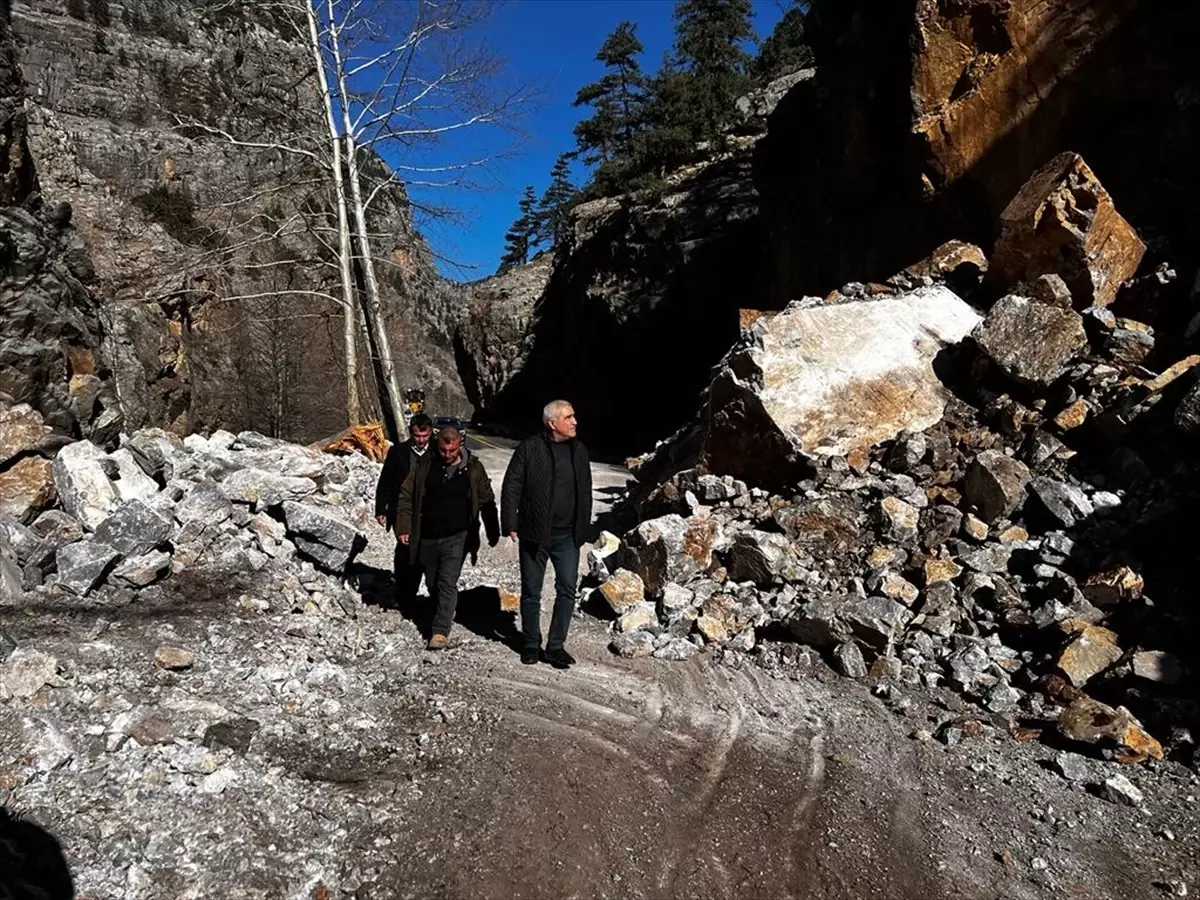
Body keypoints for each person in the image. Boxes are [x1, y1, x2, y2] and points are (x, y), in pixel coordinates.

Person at [501, 400, 592, 668]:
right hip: (534, 533)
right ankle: (530, 644)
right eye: (569, 417)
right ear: (552, 423)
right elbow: (512, 484)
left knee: (567, 589)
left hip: (567, 537)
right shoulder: (530, 448)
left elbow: (585, 491)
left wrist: (583, 527)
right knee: (531, 591)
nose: (575, 421)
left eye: (574, 416)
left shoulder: (579, 450)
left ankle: (555, 646)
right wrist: (510, 522)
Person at [396, 427, 500, 650]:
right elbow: (406, 496)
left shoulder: (473, 469)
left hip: (458, 535)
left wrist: (493, 530)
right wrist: (404, 527)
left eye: (452, 451)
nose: (447, 455)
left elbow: (486, 500)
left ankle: (440, 631)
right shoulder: (425, 467)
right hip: (428, 535)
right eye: (443, 450)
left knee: (447, 581)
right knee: (433, 582)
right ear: (438, 446)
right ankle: (436, 612)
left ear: (459, 445)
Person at [375, 414, 433, 610]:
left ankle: (430, 596)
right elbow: (386, 481)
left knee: (426, 553)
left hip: (429, 512)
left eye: (425, 436)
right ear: (412, 433)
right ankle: (404, 595)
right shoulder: (398, 452)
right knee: (405, 552)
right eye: (417, 436)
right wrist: (381, 508)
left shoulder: (438, 452)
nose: (421, 440)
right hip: (402, 510)